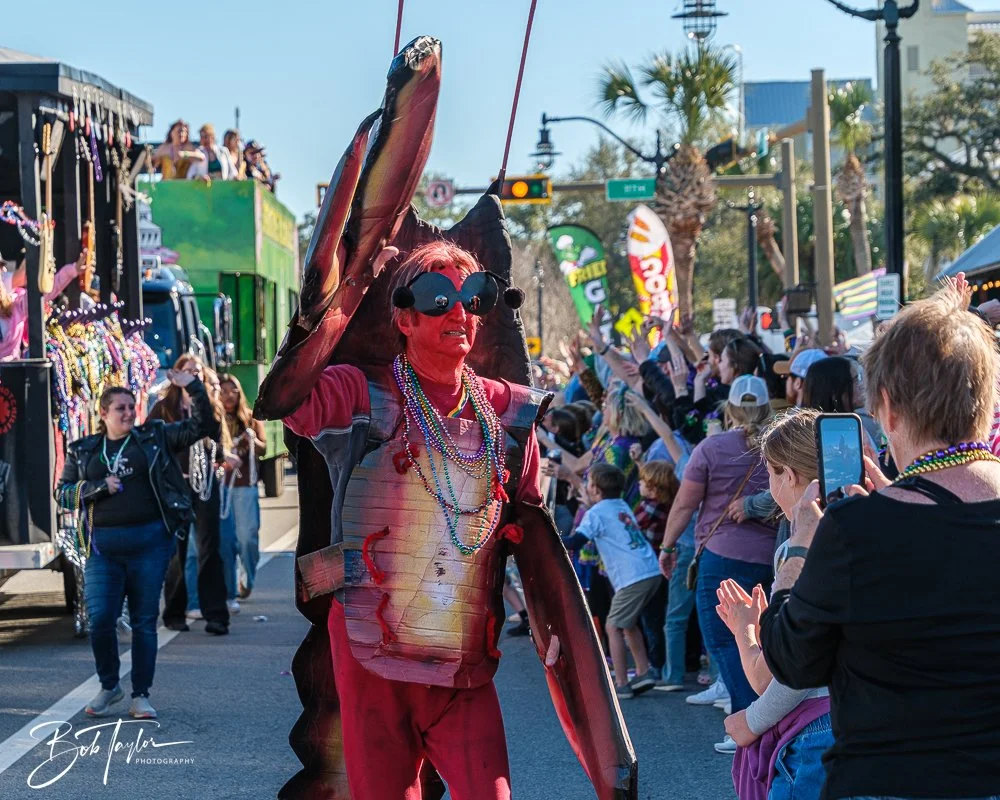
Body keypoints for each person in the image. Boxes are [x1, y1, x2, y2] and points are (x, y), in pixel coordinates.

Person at [280, 240, 633, 799]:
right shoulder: (358, 393)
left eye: (473, 296)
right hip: (373, 652)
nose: (459, 313)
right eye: (437, 297)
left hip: (463, 657)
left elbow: (529, 535)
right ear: (403, 315)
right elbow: (283, 397)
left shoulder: (510, 415)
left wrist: (554, 628)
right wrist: (347, 293)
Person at [759, 281, 1000, 800]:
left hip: (894, 777)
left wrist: (800, 545)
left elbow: (791, 657)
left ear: (887, 409)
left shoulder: (854, 530)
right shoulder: (874, 522)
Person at [56, 372, 217, 719]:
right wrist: (97, 487)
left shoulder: (154, 437)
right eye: (120, 408)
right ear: (103, 413)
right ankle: (109, 685)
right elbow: (63, 494)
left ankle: (140, 695)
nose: (128, 413)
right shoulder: (84, 451)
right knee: (101, 620)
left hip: (150, 547)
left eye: (131, 407)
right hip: (103, 551)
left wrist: (192, 386)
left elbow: (201, 426)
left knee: (144, 622)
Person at [715, 409, 832, 800]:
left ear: (791, 474)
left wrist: (746, 632)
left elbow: (790, 671)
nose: (769, 485)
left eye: (770, 473)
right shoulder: (868, 531)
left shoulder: (797, 548)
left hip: (816, 730)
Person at [659, 374, 776, 754]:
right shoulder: (777, 447)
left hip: (722, 556)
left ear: (729, 409)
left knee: (726, 641)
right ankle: (766, 720)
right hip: (771, 557)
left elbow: (684, 504)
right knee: (763, 640)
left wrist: (667, 545)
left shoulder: (712, 447)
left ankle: (750, 724)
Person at [562, 463, 662, 700]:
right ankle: (643, 671)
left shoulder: (595, 513)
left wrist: (550, 536)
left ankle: (622, 683)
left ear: (595, 489)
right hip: (649, 570)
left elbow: (575, 543)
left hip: (632, 577)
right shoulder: (621, 505)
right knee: (627, 624)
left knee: (612, 626)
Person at [148, 355, 232, 635]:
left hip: (205, 485)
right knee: (176, 551)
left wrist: (223, 457)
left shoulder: (209, 407)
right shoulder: (163, 408)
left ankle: (216, 615)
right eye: (188, 371)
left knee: (210, 549)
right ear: (176, 376)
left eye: (197, 371)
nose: (193, 375)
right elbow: (150, 442)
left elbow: (217, 444)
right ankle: (174, 613)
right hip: (176, 487)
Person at [219, 373, 266, 600]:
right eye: (224, 390)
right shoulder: (213, 420)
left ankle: (248, 578)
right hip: (220, 488)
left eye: (233, 390)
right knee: (228, 540)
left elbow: (263, 449)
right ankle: (230, 584)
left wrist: (252, 441)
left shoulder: (250, 419)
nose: (229, 395)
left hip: (245, 486)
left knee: (247, 537)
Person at [633, 459, 679, 683]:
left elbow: (632, 525)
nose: (639, 484)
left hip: (650, 567)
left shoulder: (650, 507)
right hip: (663, 568)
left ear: (652, 486)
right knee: (659, 616)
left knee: (651, 620)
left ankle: (656, 664)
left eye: (642, 481)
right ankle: (663, 662)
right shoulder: (669, 503)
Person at [0, 247, 91, 360]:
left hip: (11, 374)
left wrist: (72, 270)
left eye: (1, 268)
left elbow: (45, 292)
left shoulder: (16, 305)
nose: (2, 271)